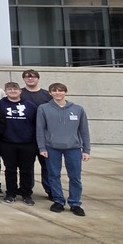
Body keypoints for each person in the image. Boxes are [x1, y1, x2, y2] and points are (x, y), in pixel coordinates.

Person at [37, 83, 91, 216]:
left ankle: (75, 203)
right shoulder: (43, 108)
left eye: (60, 91)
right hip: (52, 147)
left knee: (75, 177)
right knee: (54, 175)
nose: (57, 93)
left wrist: (86, 150)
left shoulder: (78, 109)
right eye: (54, 91)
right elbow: (40, 129)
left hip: (73, 148)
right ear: (50, 93)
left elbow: (84, 130)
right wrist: (42, 147)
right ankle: (58, 201)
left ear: (65, 92)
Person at [0, 81, 38, 205]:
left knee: (27, 170)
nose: (12, 91)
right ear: (5, 91)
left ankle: (26, 194)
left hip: (27, 143)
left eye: (15, 89)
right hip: (7, 143)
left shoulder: (31, 106)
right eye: (9, 89)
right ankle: (11, 193)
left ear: (20, 91)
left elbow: (36, 124)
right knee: (10, 170)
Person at [21, 69, 53, 199]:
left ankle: (50, 190)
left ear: (38, 78)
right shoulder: (20, 93)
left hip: (45, 137)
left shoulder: (46, 95)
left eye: (33, 77)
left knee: (47, 166)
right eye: (27, 77)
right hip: (26, 136)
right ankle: (27, 190)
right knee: (27, 166)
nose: (30, 79)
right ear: (24, 79)